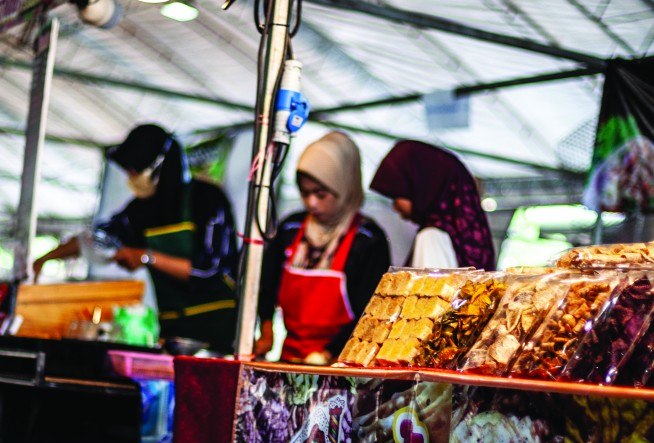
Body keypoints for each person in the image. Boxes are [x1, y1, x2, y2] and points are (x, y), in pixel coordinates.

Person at [32, 124, 239, 354]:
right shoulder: (139, 212)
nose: (130, 177)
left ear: (159, 165)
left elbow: (208, 270)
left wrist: (145, 257)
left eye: (134, 170)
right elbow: (98, 238)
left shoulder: (207, 199)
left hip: (219, 332)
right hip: (173, 330)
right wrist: (44, 259)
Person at [254, 130, 390, 365]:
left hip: (343, 367)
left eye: (321, 194)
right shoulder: (291, 228)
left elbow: (371, 312)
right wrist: (266, 330)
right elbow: (265, 285)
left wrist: (327, 353)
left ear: (345, 187)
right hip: (290, 360)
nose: (311, 203)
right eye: (305, 193)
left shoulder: (368, 240)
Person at [370, 140, 496, 270]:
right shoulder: (464, 237)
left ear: (421, 188)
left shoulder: (432, 236)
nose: (395, 207)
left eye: (396, 195)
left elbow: (433, 289)